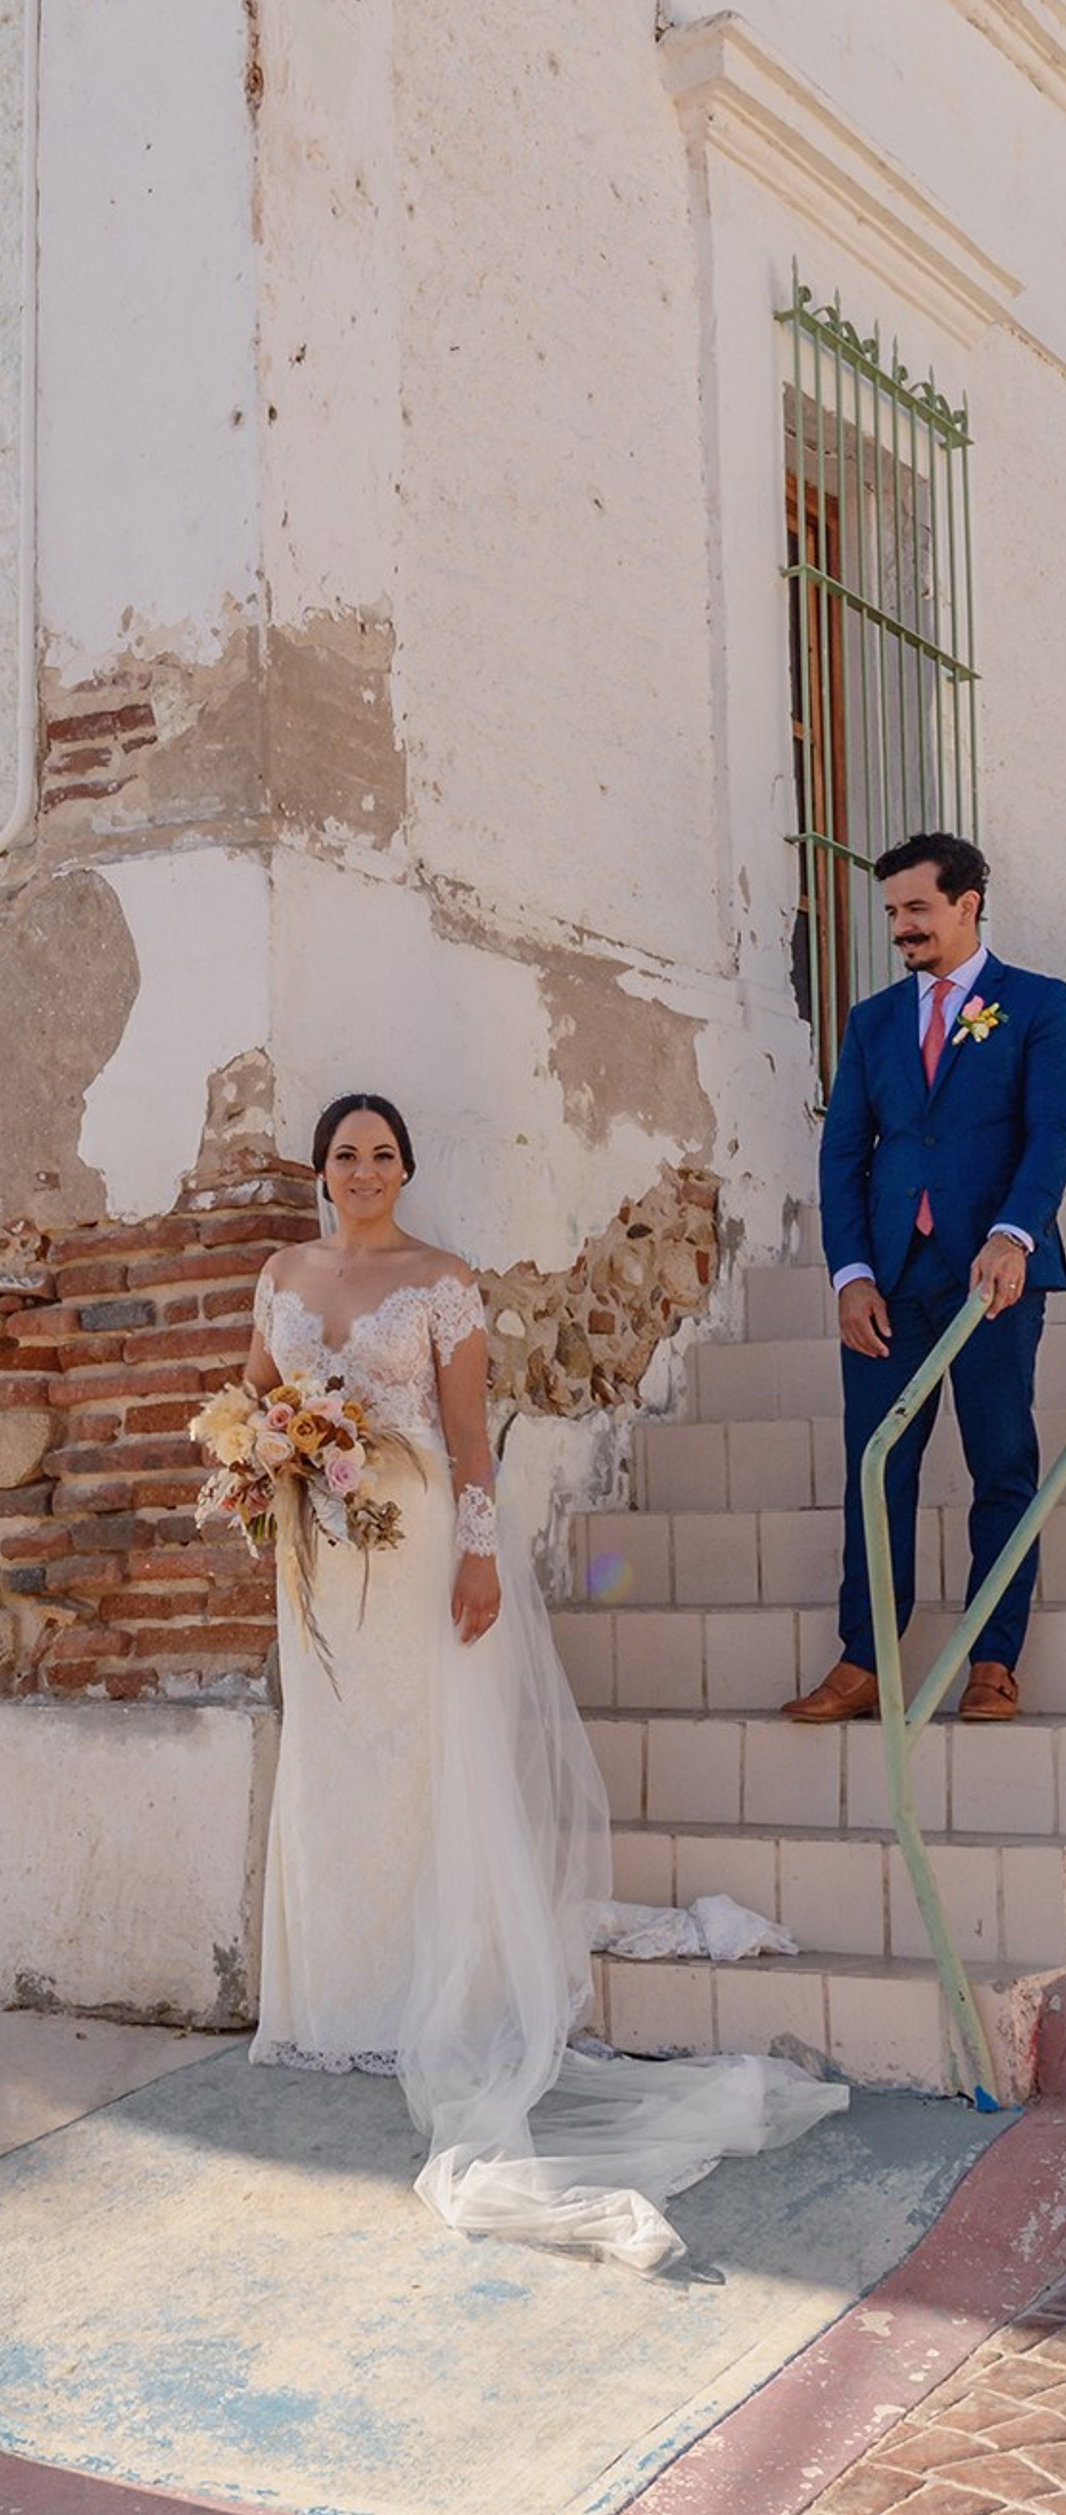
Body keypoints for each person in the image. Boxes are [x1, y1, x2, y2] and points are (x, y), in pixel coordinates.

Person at [239, 1093, 844, 2272]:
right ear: (319, 1170)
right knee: (330, 1764)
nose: (363, 1170)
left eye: (382, 1153)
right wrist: (258, 1454)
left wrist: (476, 1556)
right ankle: (330, 2004)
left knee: (423, 1762)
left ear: (405, 1167)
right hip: (317, 1560)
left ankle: (429, 1993)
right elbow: (254, 1393)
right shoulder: (279, 1271)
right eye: (344, 1155)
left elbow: (470, 1440)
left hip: (414, 1551)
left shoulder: (441, 1278)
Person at [785, 833, 1066, 1727]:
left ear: (967, 903)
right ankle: (866, 1659)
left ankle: (993, 1658)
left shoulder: (1039, 1007)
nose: (901, 927)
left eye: (916, 909)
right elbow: (843, 1156)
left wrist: (1015, 1235)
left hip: (993, 1276)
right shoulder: (870, 1022)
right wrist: (852, 1275)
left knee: (1002, 1465)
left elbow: (1050, 1134)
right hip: (890, 1280)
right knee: (877, 1467)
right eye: (892, 912)